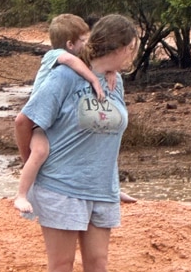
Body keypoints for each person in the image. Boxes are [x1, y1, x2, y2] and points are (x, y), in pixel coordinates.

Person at [14, 14, 138, 272]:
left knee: (98, 268)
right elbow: (24, 121)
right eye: (132, 46)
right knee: (61, 269)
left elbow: (109, 136)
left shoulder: (118, 83)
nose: (133, 52)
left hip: (101, 191)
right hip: (60, 187)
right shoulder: (65, 76)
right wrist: (32, 165)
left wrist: (113, 185)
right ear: (119, 47)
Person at [13, 14, 136, 215]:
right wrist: (95, 81)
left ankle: (112, 188)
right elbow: (74, 62)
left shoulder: (107, 76)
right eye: (83, 41)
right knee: (40, 152)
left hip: (99, 190)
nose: (88, 45)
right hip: (40, 123)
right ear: (70, 44)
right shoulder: (57, 58)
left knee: (103, 138)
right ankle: (23, 192)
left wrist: (110, 71)